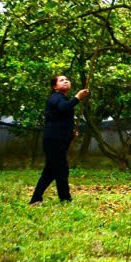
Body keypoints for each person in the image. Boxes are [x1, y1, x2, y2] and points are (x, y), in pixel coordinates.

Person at [30, 75, 90, 204]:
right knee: (61, 170)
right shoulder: (56, 97)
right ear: (54, 86)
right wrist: (78, 97)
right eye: (61, 80)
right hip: (53, 140)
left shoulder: (62, 98)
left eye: (67, 79)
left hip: (58, 139)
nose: (66, 81)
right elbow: (64, 108)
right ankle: (65, 199)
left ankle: (36, 199)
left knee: (50, 171)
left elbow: (61, 118)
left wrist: (71, 132)